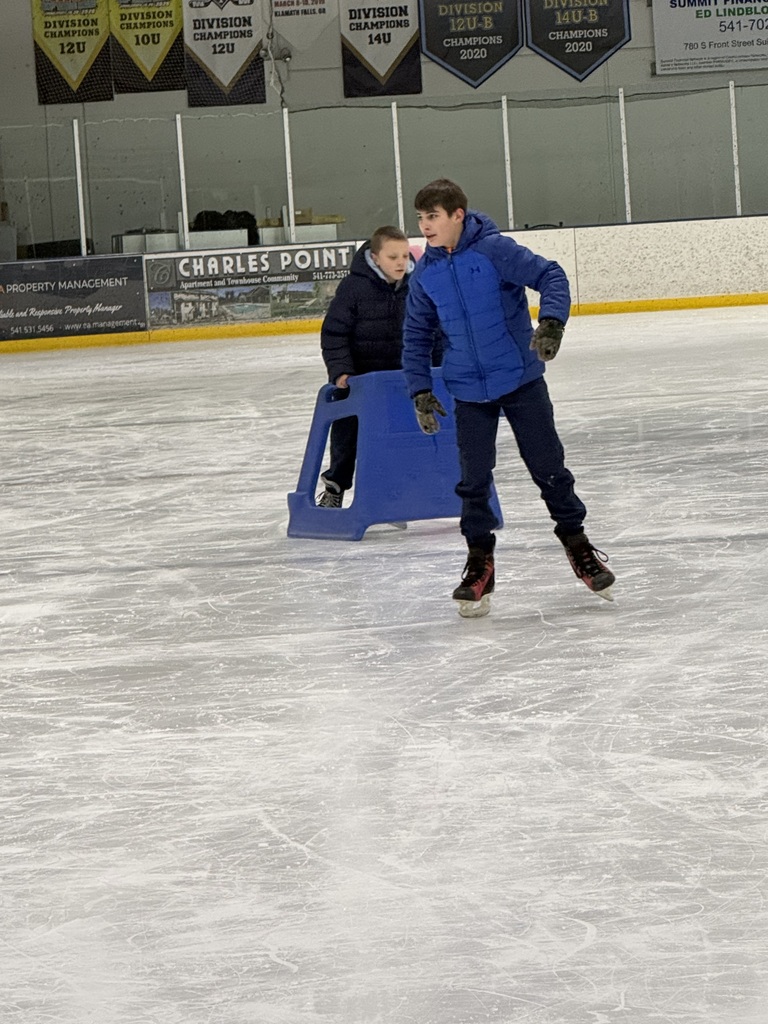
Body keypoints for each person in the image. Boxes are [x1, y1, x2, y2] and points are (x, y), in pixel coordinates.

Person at [401, 178, 615, 616]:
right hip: (467, 389)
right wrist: (420, 389)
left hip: (519, 379)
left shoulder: (494, 250)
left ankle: (579, 546)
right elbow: (416, 334)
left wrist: (552, 322)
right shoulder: (427, 272)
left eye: (433, 217)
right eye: (421, 218)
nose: (424, 226)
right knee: (473, 482)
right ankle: (479, 564)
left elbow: (549, 274)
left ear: (457, 214)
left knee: (549, 469)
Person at [317, 225, 433, 508]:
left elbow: (433, 330)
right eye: (392, 257)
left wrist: (437, 370)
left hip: (401, 380)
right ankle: (335, 487)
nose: (400, 262)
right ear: (375, 257)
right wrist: (342, 371)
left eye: (404, 256)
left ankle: (393, 491)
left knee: (399, 437)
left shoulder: (416, 286)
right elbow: (334, 334)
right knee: (348, 435)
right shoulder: (354, 288)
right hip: (359, 381)